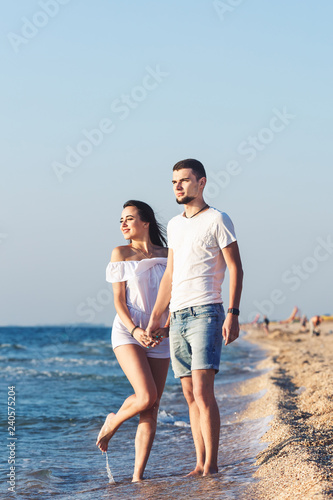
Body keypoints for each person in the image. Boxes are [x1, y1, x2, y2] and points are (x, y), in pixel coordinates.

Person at [146, 159, 243, 477]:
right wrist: (156, 317)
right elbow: (169, 275)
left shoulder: (218, 218)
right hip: (177, 316)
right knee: (188, 394)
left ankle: (212, 466)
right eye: (174, 181)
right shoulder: (174, 226)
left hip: (207, 312)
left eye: (184, 180)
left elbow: (235, 268)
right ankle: (199, 463)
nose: (178, 186)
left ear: (201, 183)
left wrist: (233, 313)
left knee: (202, 391)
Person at [96, 200, 170, 482]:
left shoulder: (167, 254)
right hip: (128, 330)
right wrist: (135, 329)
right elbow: (118, 300)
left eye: (129, 218)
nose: (123, 224)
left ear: (146, 222)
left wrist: (165, 328)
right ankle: (113, 421)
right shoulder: (121, 252)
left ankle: (138, 477)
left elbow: (174, 296)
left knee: (152, 406)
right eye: (121, 219)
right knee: (146, 395)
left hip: (159, 331)